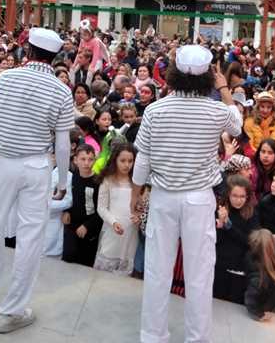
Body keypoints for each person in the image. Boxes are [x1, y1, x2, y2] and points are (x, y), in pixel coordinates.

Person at [0, 27, 73, 335]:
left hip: (4, 164)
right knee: (30, 239)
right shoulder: (61, 91)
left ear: (28, 51)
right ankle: (11, 312)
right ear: (55, 56)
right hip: (38, 167)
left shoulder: (6, 79)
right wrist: (62, 179)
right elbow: (62, 144)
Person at [130, 45, 242, 343]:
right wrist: (224, 88)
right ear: (208, 75)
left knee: (157, 271)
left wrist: (135, 195)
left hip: (163, 197)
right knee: (200, 274)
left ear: (174, 73)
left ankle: (153, 336)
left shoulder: (155, 109)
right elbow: (238, 126)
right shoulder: (217, 110)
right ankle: (197, 338)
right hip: (198, 199)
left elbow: (143, 160)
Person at [213, 174, 259, 304]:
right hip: (220, 264)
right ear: (228, 195)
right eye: (235, 196)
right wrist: (221, 226)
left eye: (242, 196)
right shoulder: (219, 210)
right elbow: (214, 241)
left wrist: (229, 227)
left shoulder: (252, 213)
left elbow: (250, 241)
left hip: (240, 266)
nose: (238, 200)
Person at [93, 142, 138, 274]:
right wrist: (113, 222)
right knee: (103, 272)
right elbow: (101, 208)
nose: (127, 165)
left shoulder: (137, 182)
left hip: (130, 233)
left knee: (124, 273)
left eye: (130, 161)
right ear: (115, 160)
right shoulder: (108, 180)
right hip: (112, 231)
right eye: (123, 160)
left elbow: (140, 206)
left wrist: (139, 217)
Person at [62, 143, 103, 267]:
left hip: (90, 230)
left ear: (95, 160)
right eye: (83, 159)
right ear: (75, 160)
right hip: (72, 226)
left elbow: (101, 209)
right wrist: (66, 211)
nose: (86, 163)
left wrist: (87, 226)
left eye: (90, 159)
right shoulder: (71, 178)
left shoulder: (98, 182)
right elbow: (68, 199)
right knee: (68, 258)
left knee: (85, 262)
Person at [244, 229, 275, 322]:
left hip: (269, 307)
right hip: (265, 311)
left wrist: (269, 239)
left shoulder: (257, 257)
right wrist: (258, 314)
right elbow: (250, 298)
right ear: (270, 247)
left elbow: (262, 243)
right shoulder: (259, 276)